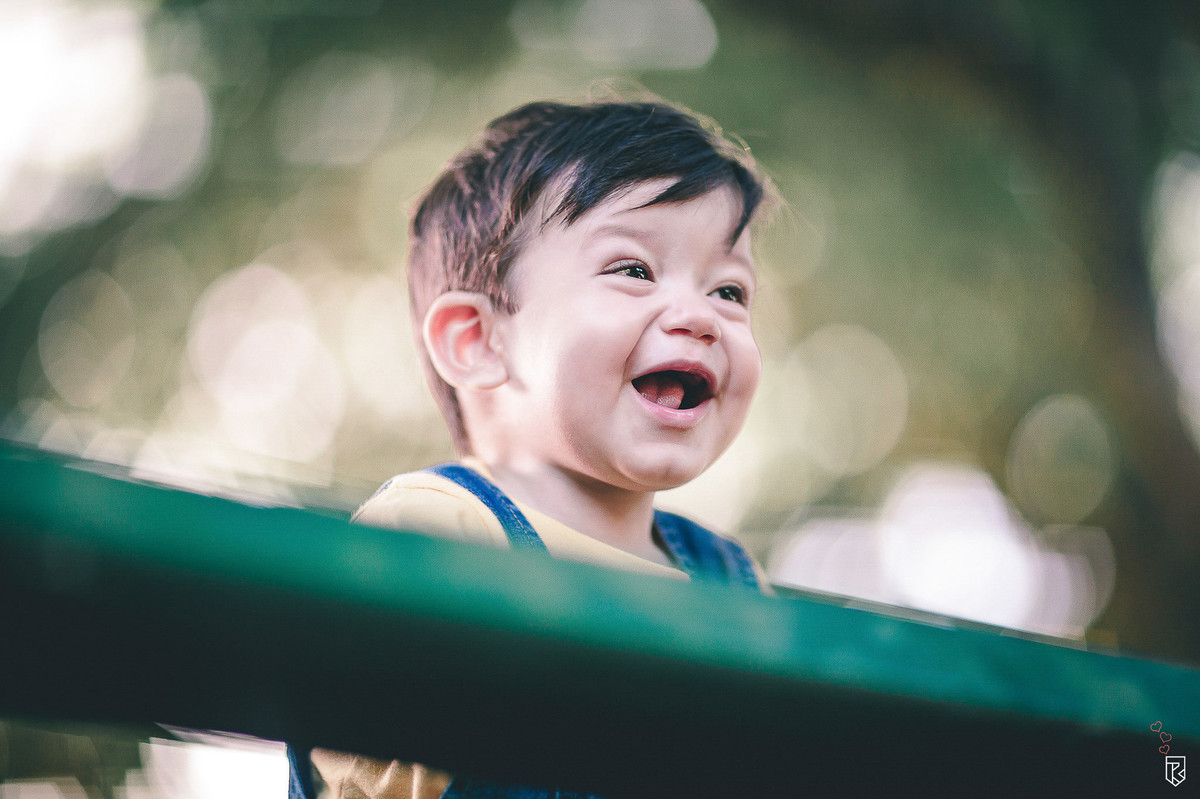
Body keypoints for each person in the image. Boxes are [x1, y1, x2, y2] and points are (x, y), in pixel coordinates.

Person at [290, 94, 777, 799]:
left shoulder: (734, 583)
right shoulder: (440, 534)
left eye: (729, 289)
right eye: (634, 269)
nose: (701, 316)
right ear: (480, 341)